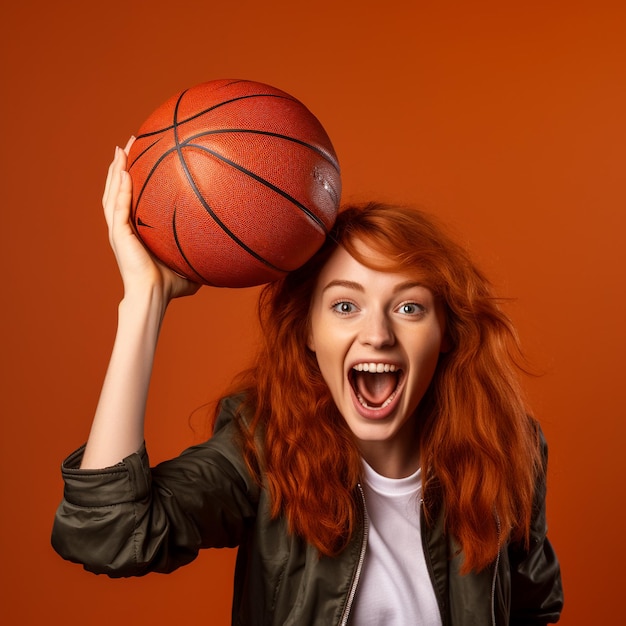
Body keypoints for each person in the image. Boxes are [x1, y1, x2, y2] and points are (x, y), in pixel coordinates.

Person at [52, 140, 563, 625]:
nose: (378, 335)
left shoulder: (506, 447)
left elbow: (531, 606)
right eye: (345, 305)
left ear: (446, 333)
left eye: (409, 307)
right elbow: (107, 531)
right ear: (309, 332)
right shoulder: (262, 446)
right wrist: (144, 301)